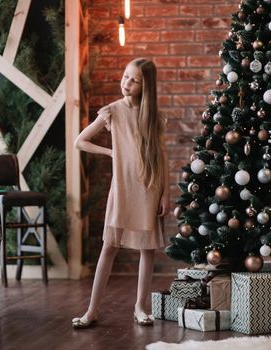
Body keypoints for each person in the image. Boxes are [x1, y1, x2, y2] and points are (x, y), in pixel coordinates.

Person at [72, 58, 170, 328]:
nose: (126, 83)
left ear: (146, 85)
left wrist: (165, 194)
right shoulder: (111, 112)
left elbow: (162, 157)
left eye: (134, 80)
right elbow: (80, 141)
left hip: (149, 188)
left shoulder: (154, 116)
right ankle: (92, 310)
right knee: (109, 247)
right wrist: (111, 152)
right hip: (123, 187)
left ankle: (140, 307)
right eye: (125, 76)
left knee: (147, 250)